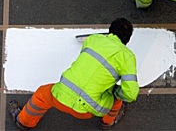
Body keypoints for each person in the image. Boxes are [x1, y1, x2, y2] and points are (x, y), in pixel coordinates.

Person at [8, 18, 139, 130]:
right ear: (127, 40)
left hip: (60, 97)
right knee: (117, 100)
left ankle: (23, 122)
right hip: (89, 111)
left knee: (42, 94)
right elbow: (131, 94)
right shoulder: (128, 57)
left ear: (110, 30)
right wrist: (115, 92)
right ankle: (107, 123)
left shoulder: (93, 40)